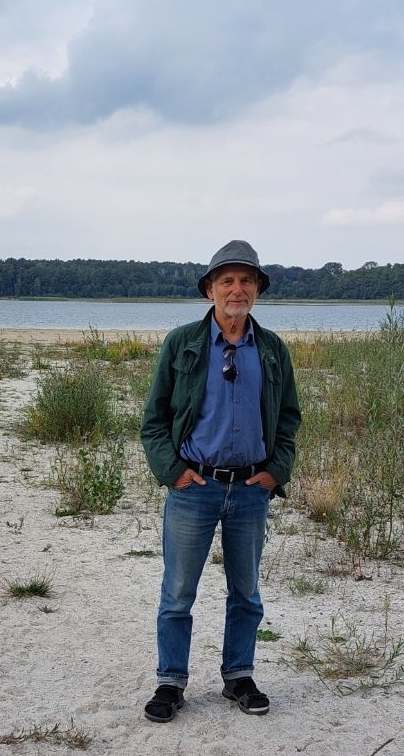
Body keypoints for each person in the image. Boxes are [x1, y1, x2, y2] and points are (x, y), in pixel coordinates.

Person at [140, 239, 301, 723]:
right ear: (210, 289)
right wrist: (174, 472)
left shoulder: (272, 349)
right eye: (227, 280)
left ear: (257, 291)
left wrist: (277, 470)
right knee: (178, 593)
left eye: (246, 280)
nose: (237, 289)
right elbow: (154, 419)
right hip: (195, 489)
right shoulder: (181, 343)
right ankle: (171, 683)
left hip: (252, 490)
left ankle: (239, 676)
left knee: (246, 592)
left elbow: (289, 417)